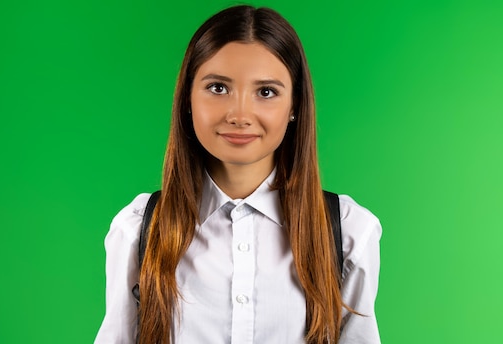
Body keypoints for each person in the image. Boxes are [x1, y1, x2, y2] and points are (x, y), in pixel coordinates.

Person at [95, 5, 381, 344]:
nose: (240, 114)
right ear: (187, 98)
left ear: (295, 106)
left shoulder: (348, 233)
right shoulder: (138, 229)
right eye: (218, 88)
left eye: (266, 92)